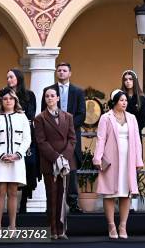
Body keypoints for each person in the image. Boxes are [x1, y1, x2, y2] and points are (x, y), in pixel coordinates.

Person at [93, 90, 143, 239]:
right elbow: (100, 139)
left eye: (125, 100)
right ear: (115, 101)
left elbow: (137, 141)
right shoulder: (105, 118)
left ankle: (122, 225)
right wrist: (97, 158)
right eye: (121, 100)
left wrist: (138, 160)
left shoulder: (132, 118)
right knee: (109, 193)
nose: (124, 103)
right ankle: (111, 226)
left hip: (128, 159)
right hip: (111, 160)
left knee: (125, 193)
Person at [42, 63, 86, 214]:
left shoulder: (78, 92)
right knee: (52, 167)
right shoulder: (48, 91)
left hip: (72, 136)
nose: (61, 72)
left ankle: (73, 202)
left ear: (70, 73)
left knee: (71, 169)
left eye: (64, 70)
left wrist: (66, 126)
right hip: (53, 137)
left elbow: (82, 114)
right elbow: (44, 114)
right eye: (59, 70)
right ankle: (53, 204)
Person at [0, 87, 31, 230]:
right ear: (1, 101)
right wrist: (1, 155)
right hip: (0, 160)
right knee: (0, 192)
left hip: (16, 160)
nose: (8, 101)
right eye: (5, 99)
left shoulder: (22, 116)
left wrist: (17, 154)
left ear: (15, 100)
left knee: (13, 193)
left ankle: (13, 226)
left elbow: (27, 139)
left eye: (11, 98)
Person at [34, 87, 76, 239]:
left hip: (65, 162)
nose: (50, 98)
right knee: (52, 196)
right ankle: (53, 229)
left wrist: (64, 157)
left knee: (63, 195)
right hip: (49, 162)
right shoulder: (40, 118)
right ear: (45, 99)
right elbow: (41, 141)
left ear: (58, 98)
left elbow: (72, 139)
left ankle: (62, 229)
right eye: (47, 96)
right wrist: (55, 157)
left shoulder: (68, 117)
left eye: (52, 96)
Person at [7, 69, 39, 213]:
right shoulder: (4, 94)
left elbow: (31, 115)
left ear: (18, 78)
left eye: (11, 77)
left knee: (29, 165)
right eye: (7, 77)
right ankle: (10, 204)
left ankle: (24, 201)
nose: (9, 80)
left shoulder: (29, 95)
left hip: (27, 135)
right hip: (9, 135)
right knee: (7, 167)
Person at [121, 70, 145, 137]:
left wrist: (133, 131)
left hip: (136, 134)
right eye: (125, 79)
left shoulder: (142, 99)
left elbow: (142, 121)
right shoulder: (120, 97)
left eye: (130, 79)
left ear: (135, 81)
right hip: (121, 134)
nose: (128, 81)